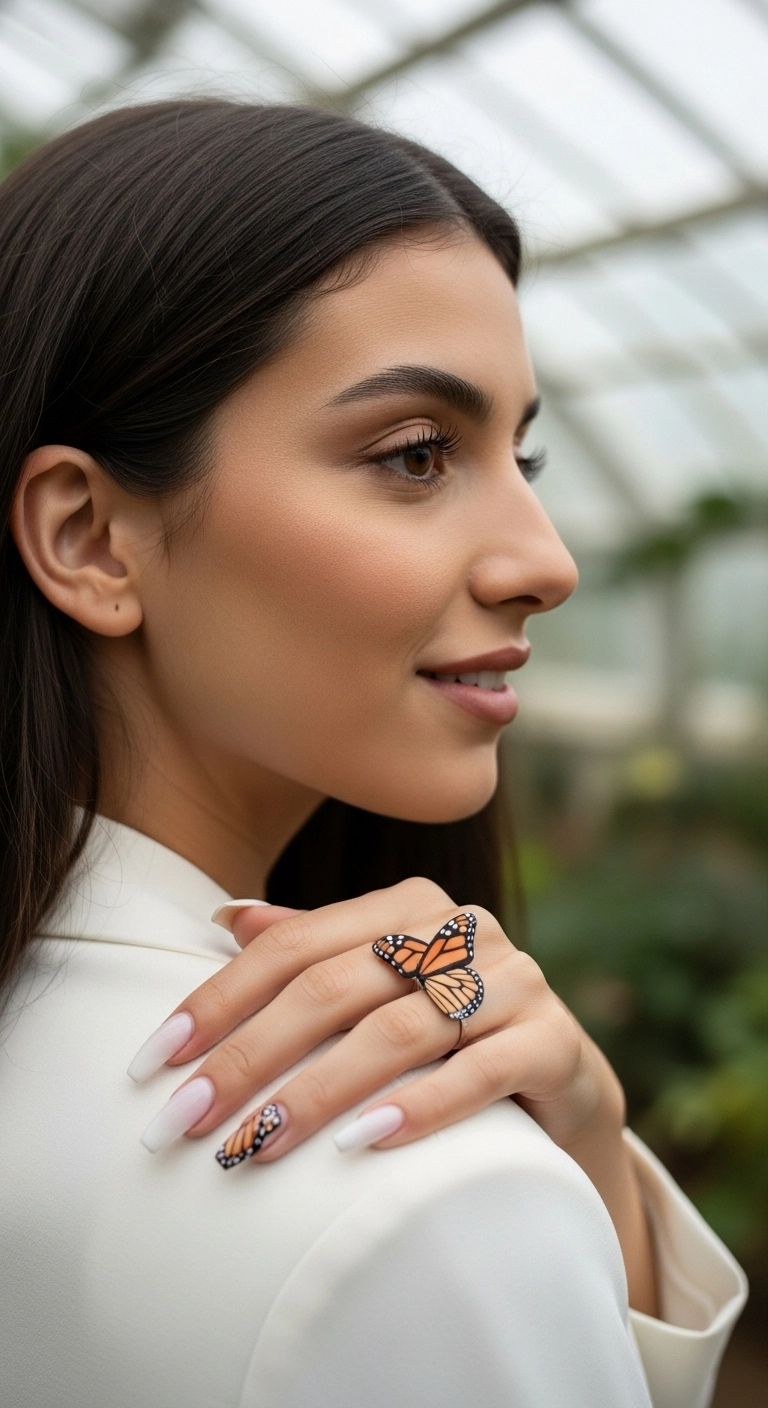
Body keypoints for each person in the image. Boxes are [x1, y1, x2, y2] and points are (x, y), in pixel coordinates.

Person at [0, 100, 745, 1408]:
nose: (548, 564)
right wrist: (534, 1197)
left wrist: (598, 1165)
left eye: (525, 457)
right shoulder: (423, 1200)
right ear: (90, 539)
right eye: (414, 455)